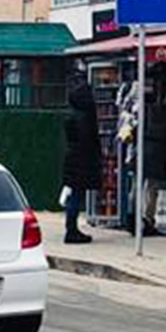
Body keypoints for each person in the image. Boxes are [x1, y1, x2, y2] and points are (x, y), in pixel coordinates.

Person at [60, 82, 101, 245]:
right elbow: (88, 140)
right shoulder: (85, 117)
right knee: (76, 195)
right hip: (82, 161)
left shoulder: (71, 115)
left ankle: (71, 227)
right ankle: (72, 230)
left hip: (72, 159)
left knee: (73, 194)